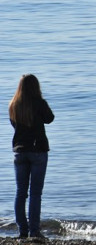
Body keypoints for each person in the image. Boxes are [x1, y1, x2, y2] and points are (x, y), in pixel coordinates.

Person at [8, 74, 55, 239]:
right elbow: (50, 119)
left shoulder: (14, 104)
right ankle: (34, 231)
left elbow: (14, 124)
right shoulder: (39, 103)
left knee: (21, 192)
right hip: (37, 150)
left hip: (19, 152)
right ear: (36, 87)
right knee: (35, 193)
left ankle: (22, 231)